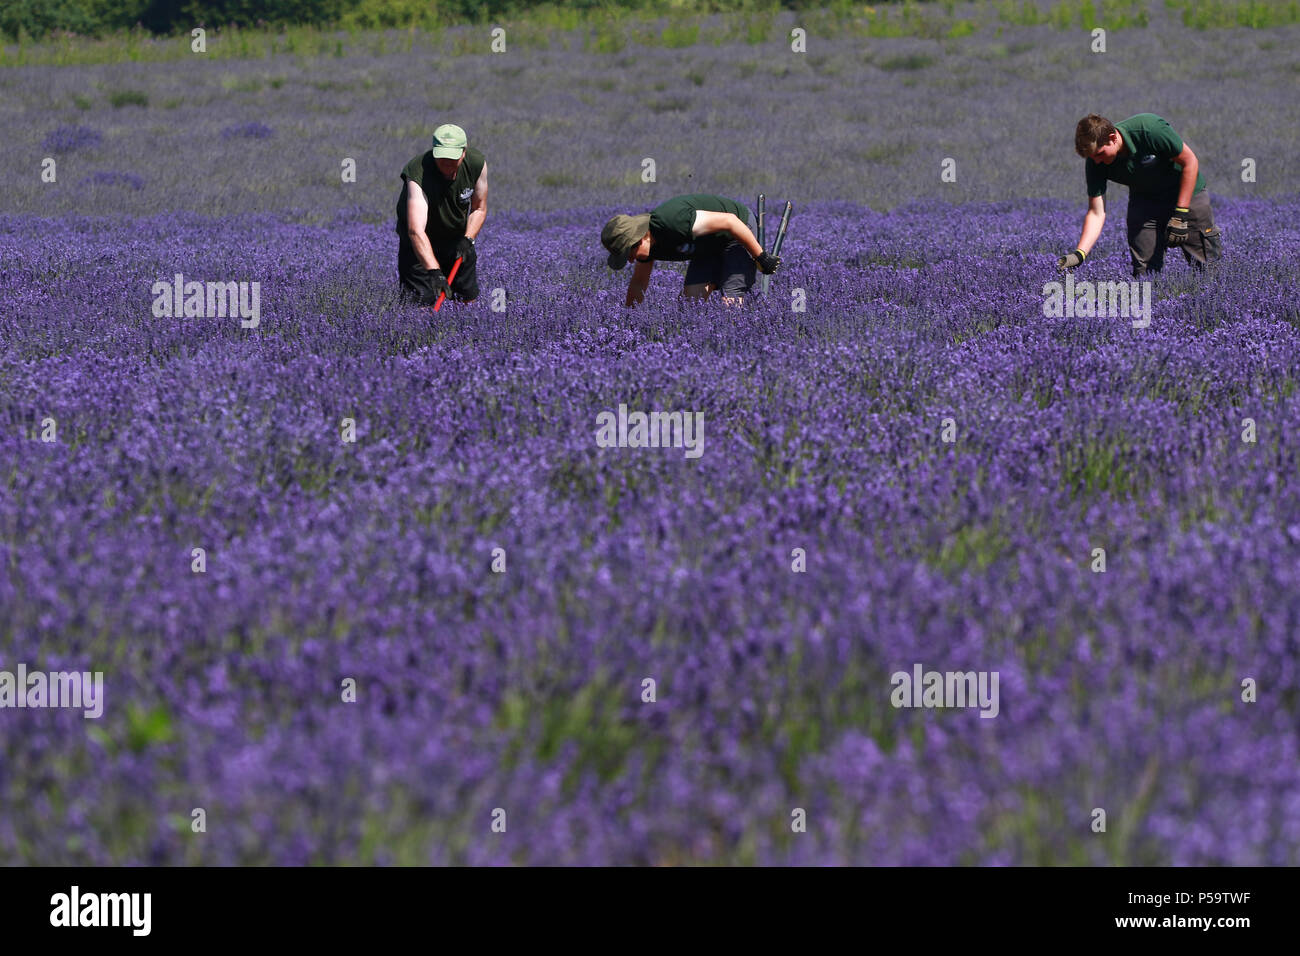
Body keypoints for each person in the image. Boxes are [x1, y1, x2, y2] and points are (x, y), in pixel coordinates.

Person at [1058, 113, 1222, 277]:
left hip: (1187, 194)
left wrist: (1181, 213)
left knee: (1207, 268)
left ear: (1113, 138)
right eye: (1092, 157)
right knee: (1144, 274)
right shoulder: (1095, 161)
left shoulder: (1149, 130)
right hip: (1145, 201)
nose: (1097, 161)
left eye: (1100, 154)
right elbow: (1096, 212)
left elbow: (1190, 162)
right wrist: (1080, 254)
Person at [601, 193, 780, 308]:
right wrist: (630, 320)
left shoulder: (672, 221)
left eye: (629, 255)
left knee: (731, 300)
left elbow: (730, 222)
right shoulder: (647, 248)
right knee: (690, 304)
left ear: (640, 239)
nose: (631, 261)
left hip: (738, 231)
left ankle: (736, 349)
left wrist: (761, 257)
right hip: (707, 245)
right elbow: (639, 283)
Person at [395, 123, 487, 305]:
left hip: (456, 240)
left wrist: (468, 239)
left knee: (467, 302)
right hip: (418, 245)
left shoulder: (476, 164)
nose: (446, 163)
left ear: (463, 152)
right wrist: (435, 272)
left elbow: (479, 208)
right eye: (441, 157)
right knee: (419, 306)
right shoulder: (417, 172)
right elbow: (416, 231)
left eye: (452, 157)